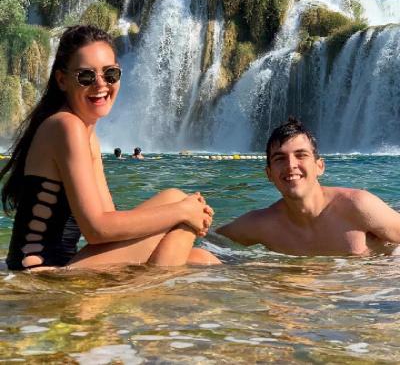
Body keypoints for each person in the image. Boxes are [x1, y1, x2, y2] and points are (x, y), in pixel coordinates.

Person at [1, 25, 220, 271]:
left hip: (61, 269)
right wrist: (182, 212)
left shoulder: (86, 133)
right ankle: (153, 292)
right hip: (39, 275)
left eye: (110, 74)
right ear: (62, 80)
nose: (101, 84)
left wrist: (185, 210)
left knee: (202, 258)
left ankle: (155, 290)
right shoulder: (66, 126)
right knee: (179, 207)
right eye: (86, 76)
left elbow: (108, 220)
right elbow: (97, 230)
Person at [217, 117, 400, 256]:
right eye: (280, 158)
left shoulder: (358, 206)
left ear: (319, 166)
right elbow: (212, 242)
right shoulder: (263, 224)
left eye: (301, 155)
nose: (291, 165)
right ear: (269, 174)